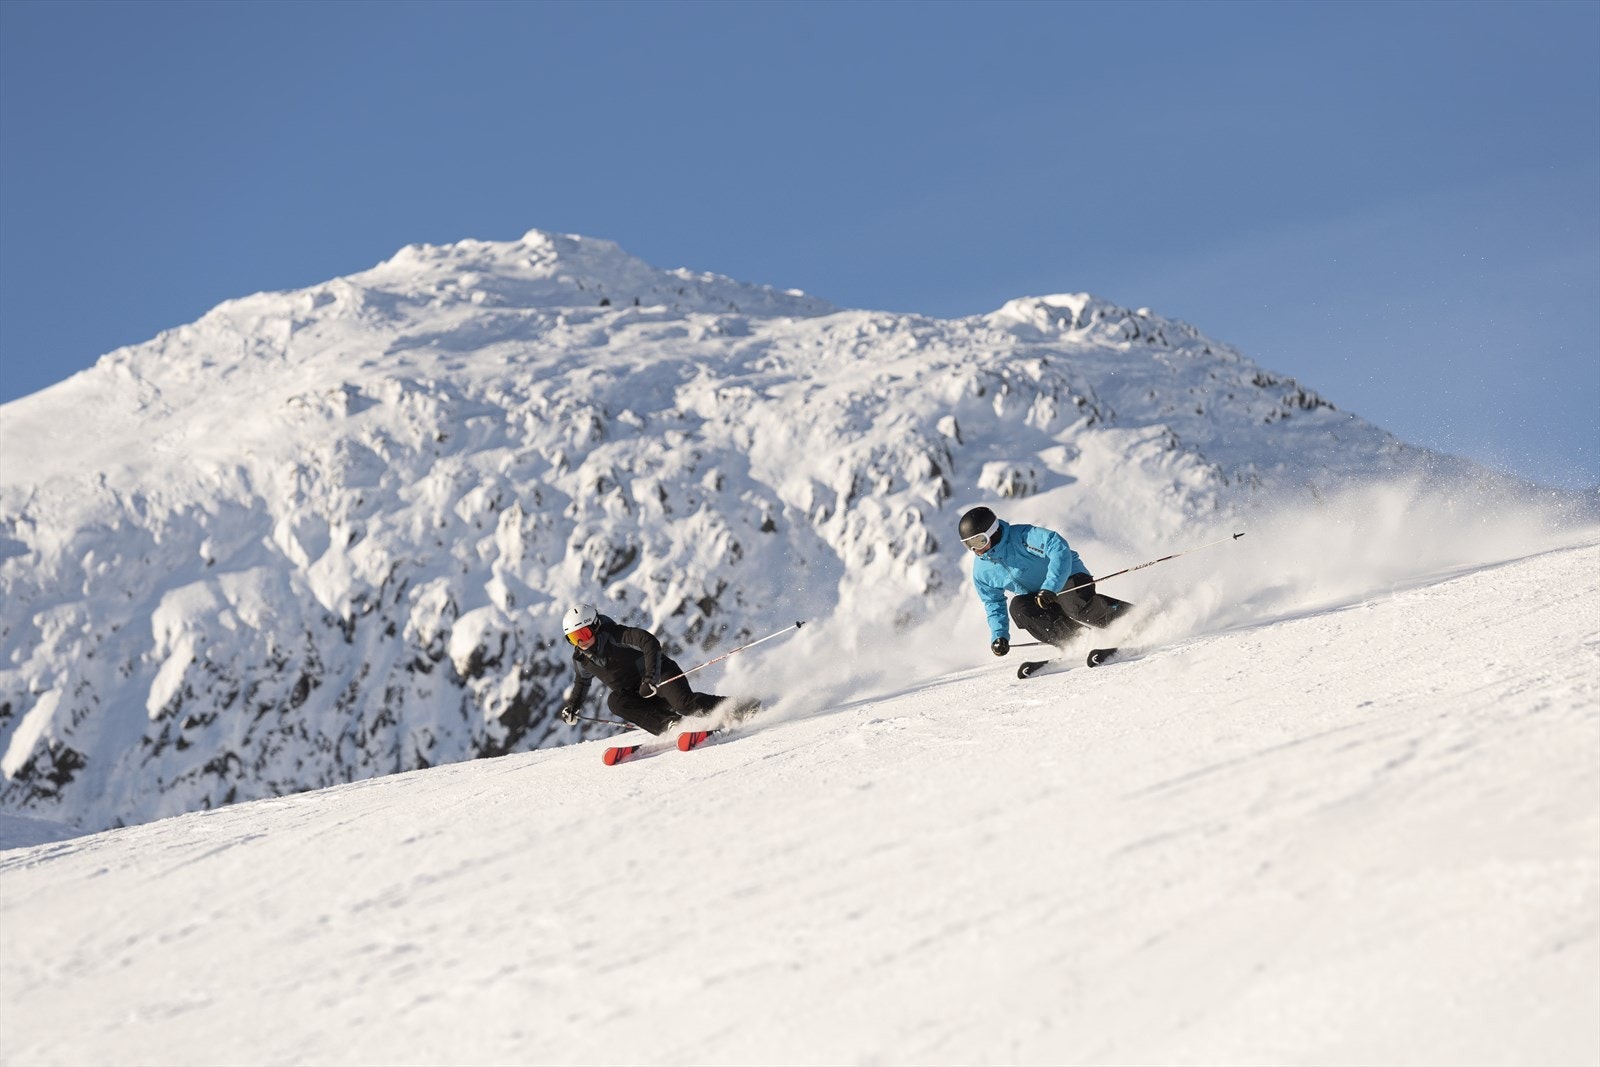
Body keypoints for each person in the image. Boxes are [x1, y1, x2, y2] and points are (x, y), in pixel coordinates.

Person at [958, 505, 1132, 655]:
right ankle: (1079, 641)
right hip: (1040, 596)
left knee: (1076, 606)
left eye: (979, 541)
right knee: (1020, 608)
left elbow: (1056, 546)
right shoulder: (982, 571)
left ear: (992, 532)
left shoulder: (1021, 537)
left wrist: (1051, 586)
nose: (975, 549)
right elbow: (993, 603)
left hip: (1067, 575)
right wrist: (999, 635)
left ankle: (1130, 621)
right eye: (968, 544)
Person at [557, 603, 734, 735]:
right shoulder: (581, 660)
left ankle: (736, 707)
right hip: (640, 696)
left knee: (685, 705)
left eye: (584, 634)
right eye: (574, 638)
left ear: (595, 626)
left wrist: (650, 678)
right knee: (615, 701)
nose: (581, 642)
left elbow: (649, 641)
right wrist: (573, 706)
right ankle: (671, 726)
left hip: (660, 675)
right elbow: (582, 681)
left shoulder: (615, 635)